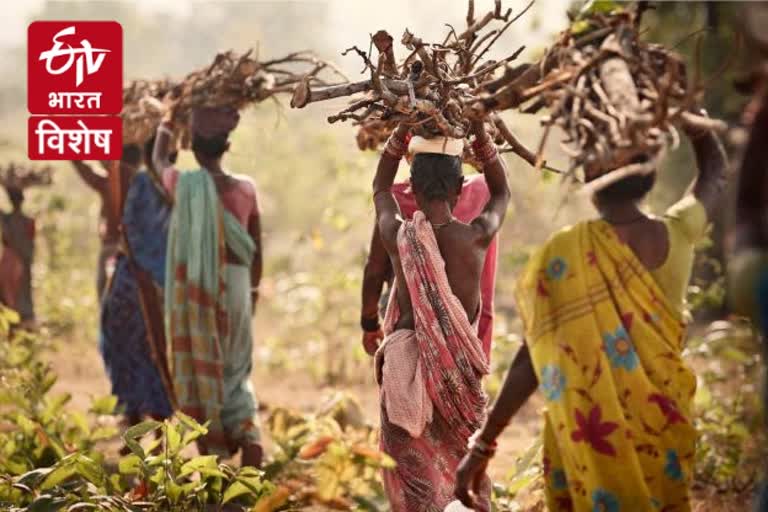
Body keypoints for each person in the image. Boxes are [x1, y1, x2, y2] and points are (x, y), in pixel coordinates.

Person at [455, 110, 727, 512]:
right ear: (650, 170)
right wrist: (694, 123)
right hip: (660, 432)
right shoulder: (678, 233)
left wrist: (484, 444)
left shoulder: (563, 254)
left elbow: (532, 355)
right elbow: (714, 173)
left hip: (587, 439)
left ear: (587, 177)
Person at [372, 120, 510, 511]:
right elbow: (502, 191)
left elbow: (381, 189)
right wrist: (481, 136)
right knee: (465, 485)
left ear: (412, 188)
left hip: (405, 378)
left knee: (417, 492)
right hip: (458, 380)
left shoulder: (398, 235)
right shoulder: (478, 236)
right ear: (459, 188)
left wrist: (400, 135)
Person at [153, 105, 263, 467]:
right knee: (236, 371)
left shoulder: (185, 186)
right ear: (227, 146)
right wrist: (251, 295)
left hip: (199, 292)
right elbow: (257, 249)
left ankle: (214, 460)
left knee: (206, 370)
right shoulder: (247, 188)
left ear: (194, 149)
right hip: (237, 286)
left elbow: (157, 162)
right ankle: (249, 440)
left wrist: (169, 121)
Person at [360, 173, 499, 358]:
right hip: (468, 335)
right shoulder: (482, 190)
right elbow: (500, 183)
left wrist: (369, 323)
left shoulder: (396, 198)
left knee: (404, 380)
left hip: (406, 330)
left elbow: (374, 272)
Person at [98, 137, 178, 434]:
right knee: (152, 352)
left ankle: (143, 435)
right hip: (159, 285)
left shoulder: (148, 184)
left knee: (132, 352)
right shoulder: (174, 186)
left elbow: (129, 232)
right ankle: (155, 438)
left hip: (137, 282)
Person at [71, 145, 142, 300]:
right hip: (137, 253)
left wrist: (71, 151)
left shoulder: (111, 181)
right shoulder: (143, 184)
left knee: (106, 300)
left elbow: (84, 169)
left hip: (113, 248)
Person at [0, 186, 36, 326]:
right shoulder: (25, 221)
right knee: (16, 292)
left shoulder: (9, 220)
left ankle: (18, 322)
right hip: (17, 260)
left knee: (14, 292)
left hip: (14, 261)